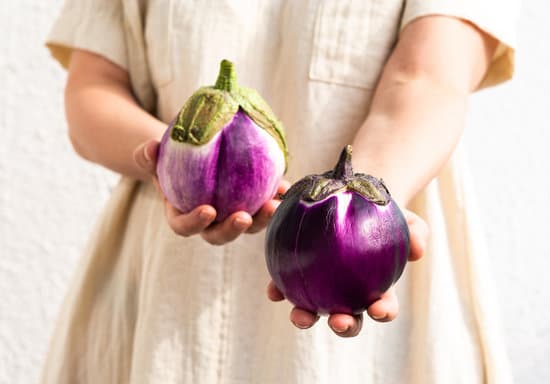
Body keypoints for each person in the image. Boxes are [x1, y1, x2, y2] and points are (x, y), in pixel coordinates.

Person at [43, 1, 518, 383]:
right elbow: (92, 91)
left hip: (374, 302)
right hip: (162, 294)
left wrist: (363, 207)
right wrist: (173, 167)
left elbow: (430, 78)